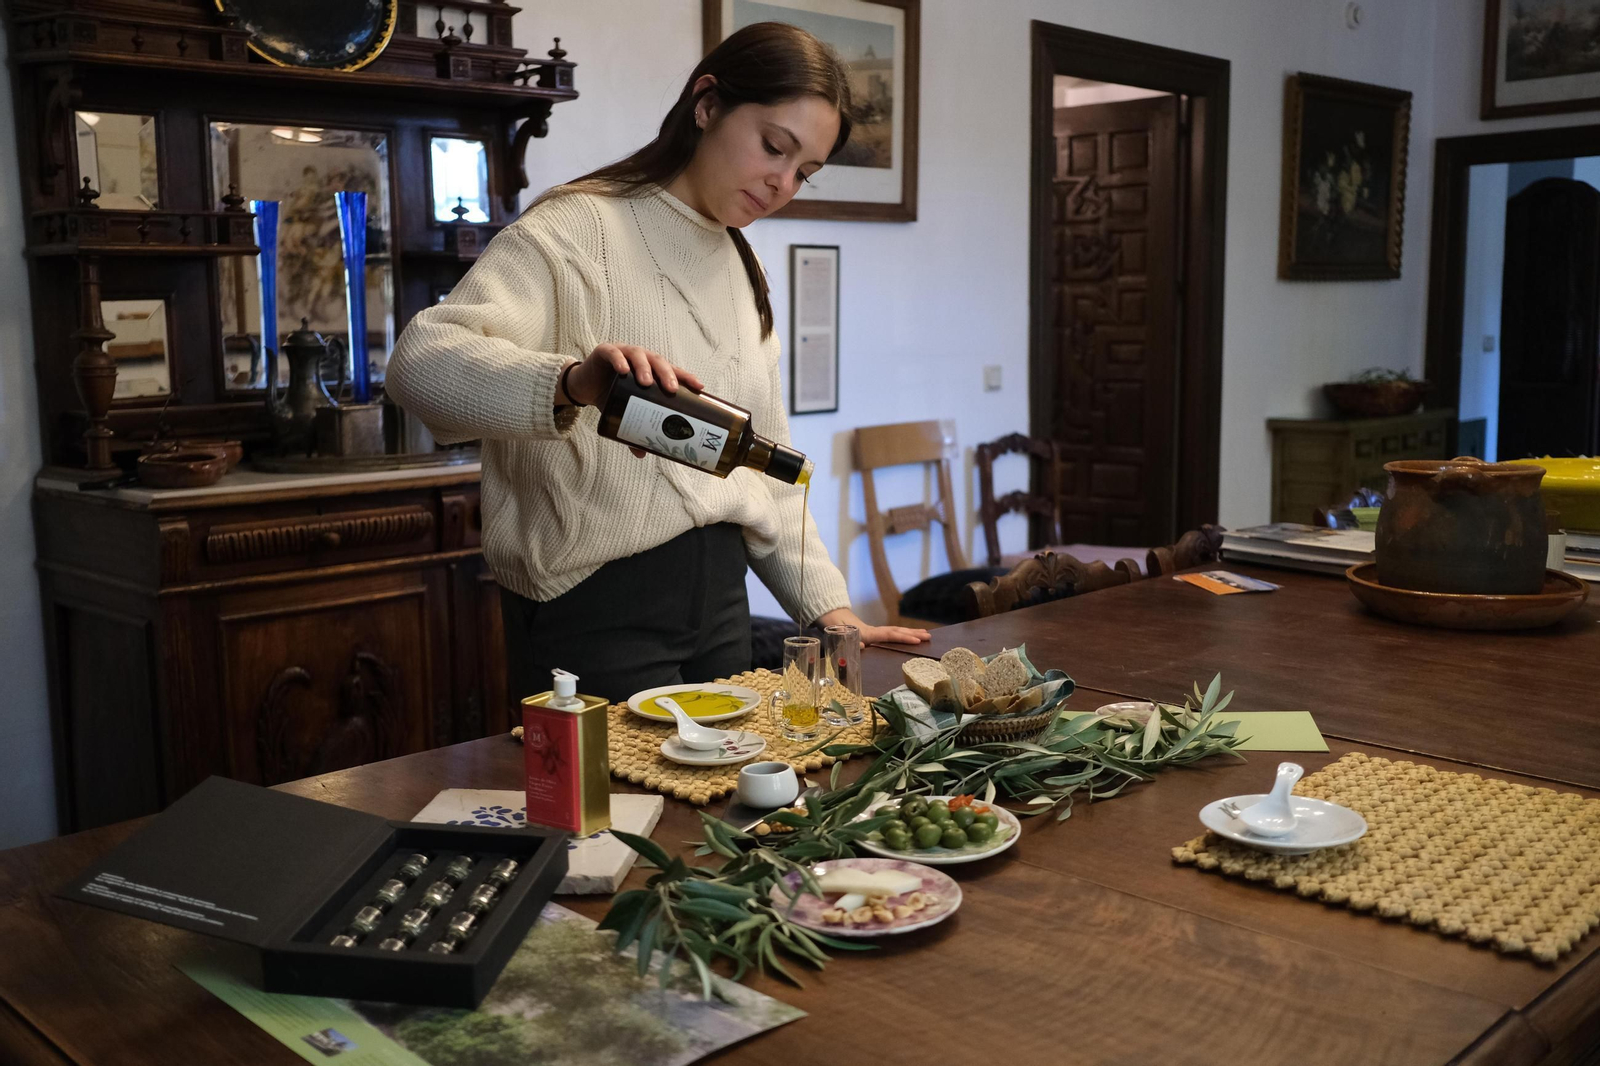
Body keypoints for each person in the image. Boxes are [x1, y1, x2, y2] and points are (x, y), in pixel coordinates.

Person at [386, 21, 930, 703]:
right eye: (774, 147)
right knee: (615, 811)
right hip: (590, 608)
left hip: (722, 606)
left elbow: (771, 468)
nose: (782, 182)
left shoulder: (741, 263)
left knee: (728, 807)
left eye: (804, 172)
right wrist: (571, 382)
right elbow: (419, 364)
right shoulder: (577, 228)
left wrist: (831, 611)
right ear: (707, 104)